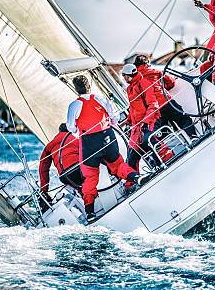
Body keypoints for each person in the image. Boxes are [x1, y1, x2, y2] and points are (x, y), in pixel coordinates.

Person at [66, 75, 138, 220]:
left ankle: (90, 212)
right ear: (89, 87)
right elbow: (114, 119)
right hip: (107, 137)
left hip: (89, 143)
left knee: (90, 177)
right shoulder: (101, 99)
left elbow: (71, 128)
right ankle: (135, 177)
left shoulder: (74, 105)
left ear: (76, 89)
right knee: (117, 165)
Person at [132, 56, 196, 138]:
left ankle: (175, 149)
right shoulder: (154, 71)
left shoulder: (135, 80)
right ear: (147, 63)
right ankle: (193, 137)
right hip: (166, 102)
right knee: (184, 119)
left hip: (155, 109)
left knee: (164, 131)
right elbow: (171, 82)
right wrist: (164, 87)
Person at [38, 123, 82, 211]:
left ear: (59, 132)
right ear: (69, 131)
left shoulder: (49, 146)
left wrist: (44, 190)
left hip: (65, 177)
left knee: (77, 186)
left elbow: (43, 168)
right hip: (79, 170)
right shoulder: (76, 140)